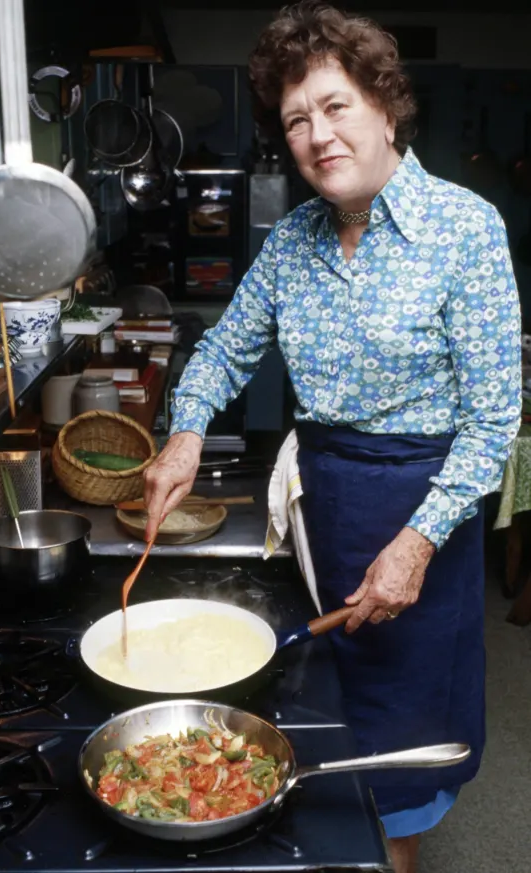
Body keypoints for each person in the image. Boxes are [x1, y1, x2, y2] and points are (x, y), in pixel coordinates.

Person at [143, 3, 522, 871]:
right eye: (296, 120)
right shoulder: (291, 245)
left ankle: (389, 853)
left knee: (401, 736)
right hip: (328, 505)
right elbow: (224, 351)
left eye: (335, 105)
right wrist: (185, 434)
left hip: (426, 510)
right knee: (319, 714)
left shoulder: (465, 231)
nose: (317, 134)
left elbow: (494, 418)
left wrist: (418, 544)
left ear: (386, 107)